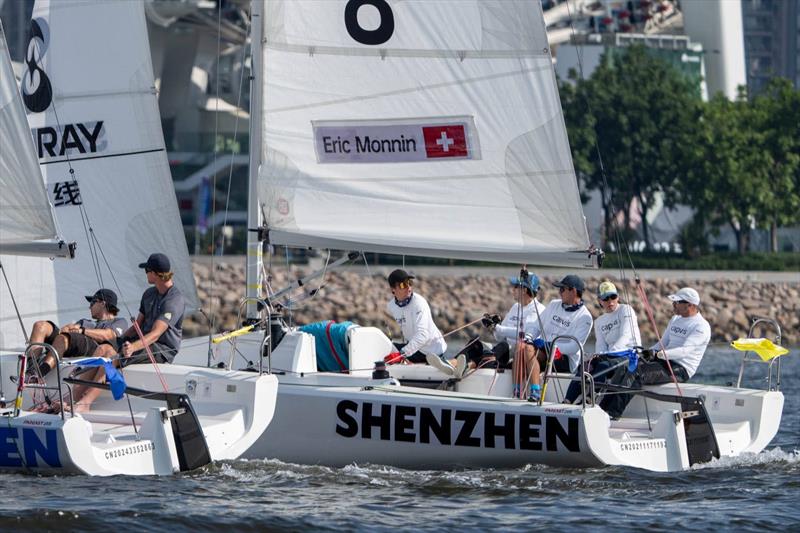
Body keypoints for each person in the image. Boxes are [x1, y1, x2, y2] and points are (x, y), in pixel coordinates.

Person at [59, 253, 185, 413]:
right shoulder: (149, 294)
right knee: (103, 350)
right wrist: (118, 340)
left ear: (154, 273)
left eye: (146, 270)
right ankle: (72, 397)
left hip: (161, 348)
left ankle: (85, 403)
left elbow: (155, 334)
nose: (145, 273)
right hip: (142, 340)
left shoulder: (174, 299)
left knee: (112, 359)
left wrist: (132, 347)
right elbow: (137, 326)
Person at [564, 281, 641, 410]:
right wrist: (599, 355)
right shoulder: (599, 322)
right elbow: (600, 347)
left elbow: (625, 336)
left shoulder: (626, 310)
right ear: (600, 301)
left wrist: (606, 355)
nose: (610, 301)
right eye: (605, 298)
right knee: (585, 366)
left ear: (617, 297)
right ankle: (567, 400)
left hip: (629, 354)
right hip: (609, 355)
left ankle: (589, 399)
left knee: (603, 365)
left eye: (613, 297)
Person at [520, 274, 594, 401]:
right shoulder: (554, 304)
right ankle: (518, 390)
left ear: (574, 291)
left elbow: (573, 347)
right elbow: (536, 326)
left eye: (562, 289)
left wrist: (549, 345)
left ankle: (535, 392)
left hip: (565, 358)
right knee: (521, 347)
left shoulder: (585, 317)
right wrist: (528, 337)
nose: (559, 292)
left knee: (527, 350)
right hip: (546, 351)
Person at [27, 289, 127, 377]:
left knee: (63, 338)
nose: (89, 307)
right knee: (40, 326)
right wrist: (67, 328)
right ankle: (31, 368)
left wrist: (82, 331)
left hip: (93, 347)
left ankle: (39, 373)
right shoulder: (85, 322)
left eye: (92, 303)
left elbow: (108, 335)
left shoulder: (119, 322)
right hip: (71, 343)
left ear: (102, 303)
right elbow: (68, 328)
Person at [385, 269, 461, 376]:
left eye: (409, 283)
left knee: (399, 352)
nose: (408, 288)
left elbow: (423, 335)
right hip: (415, 349)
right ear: (393, 289)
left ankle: (445, 363)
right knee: (385, 346)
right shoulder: (391, 306)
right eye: (403, 285)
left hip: (433, 350)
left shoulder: (419, 303)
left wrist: (402, 354)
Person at [464, 273, 546, 369]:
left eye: (515, 287)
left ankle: (467, 366)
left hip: (519, 355)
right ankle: (453, 364)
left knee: (502, 346)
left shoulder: (538, 310)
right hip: (505, 350)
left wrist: (497, 328)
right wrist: (493, 326)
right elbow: (499, 337)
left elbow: (524, 334)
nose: (512, 290)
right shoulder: (515, 307)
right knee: (474, 344)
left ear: (524, 290)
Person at [639, 286, 711, 384]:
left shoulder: (701, 326)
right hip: (664, 361)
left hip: (681, 369)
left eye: (677, 302)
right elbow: (662, 344)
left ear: (689, 305)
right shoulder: (675, 319)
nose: (673, 304)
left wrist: (658, 354)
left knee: (638, 374)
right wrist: (645, 353)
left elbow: (684, 351)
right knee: (629, 368)